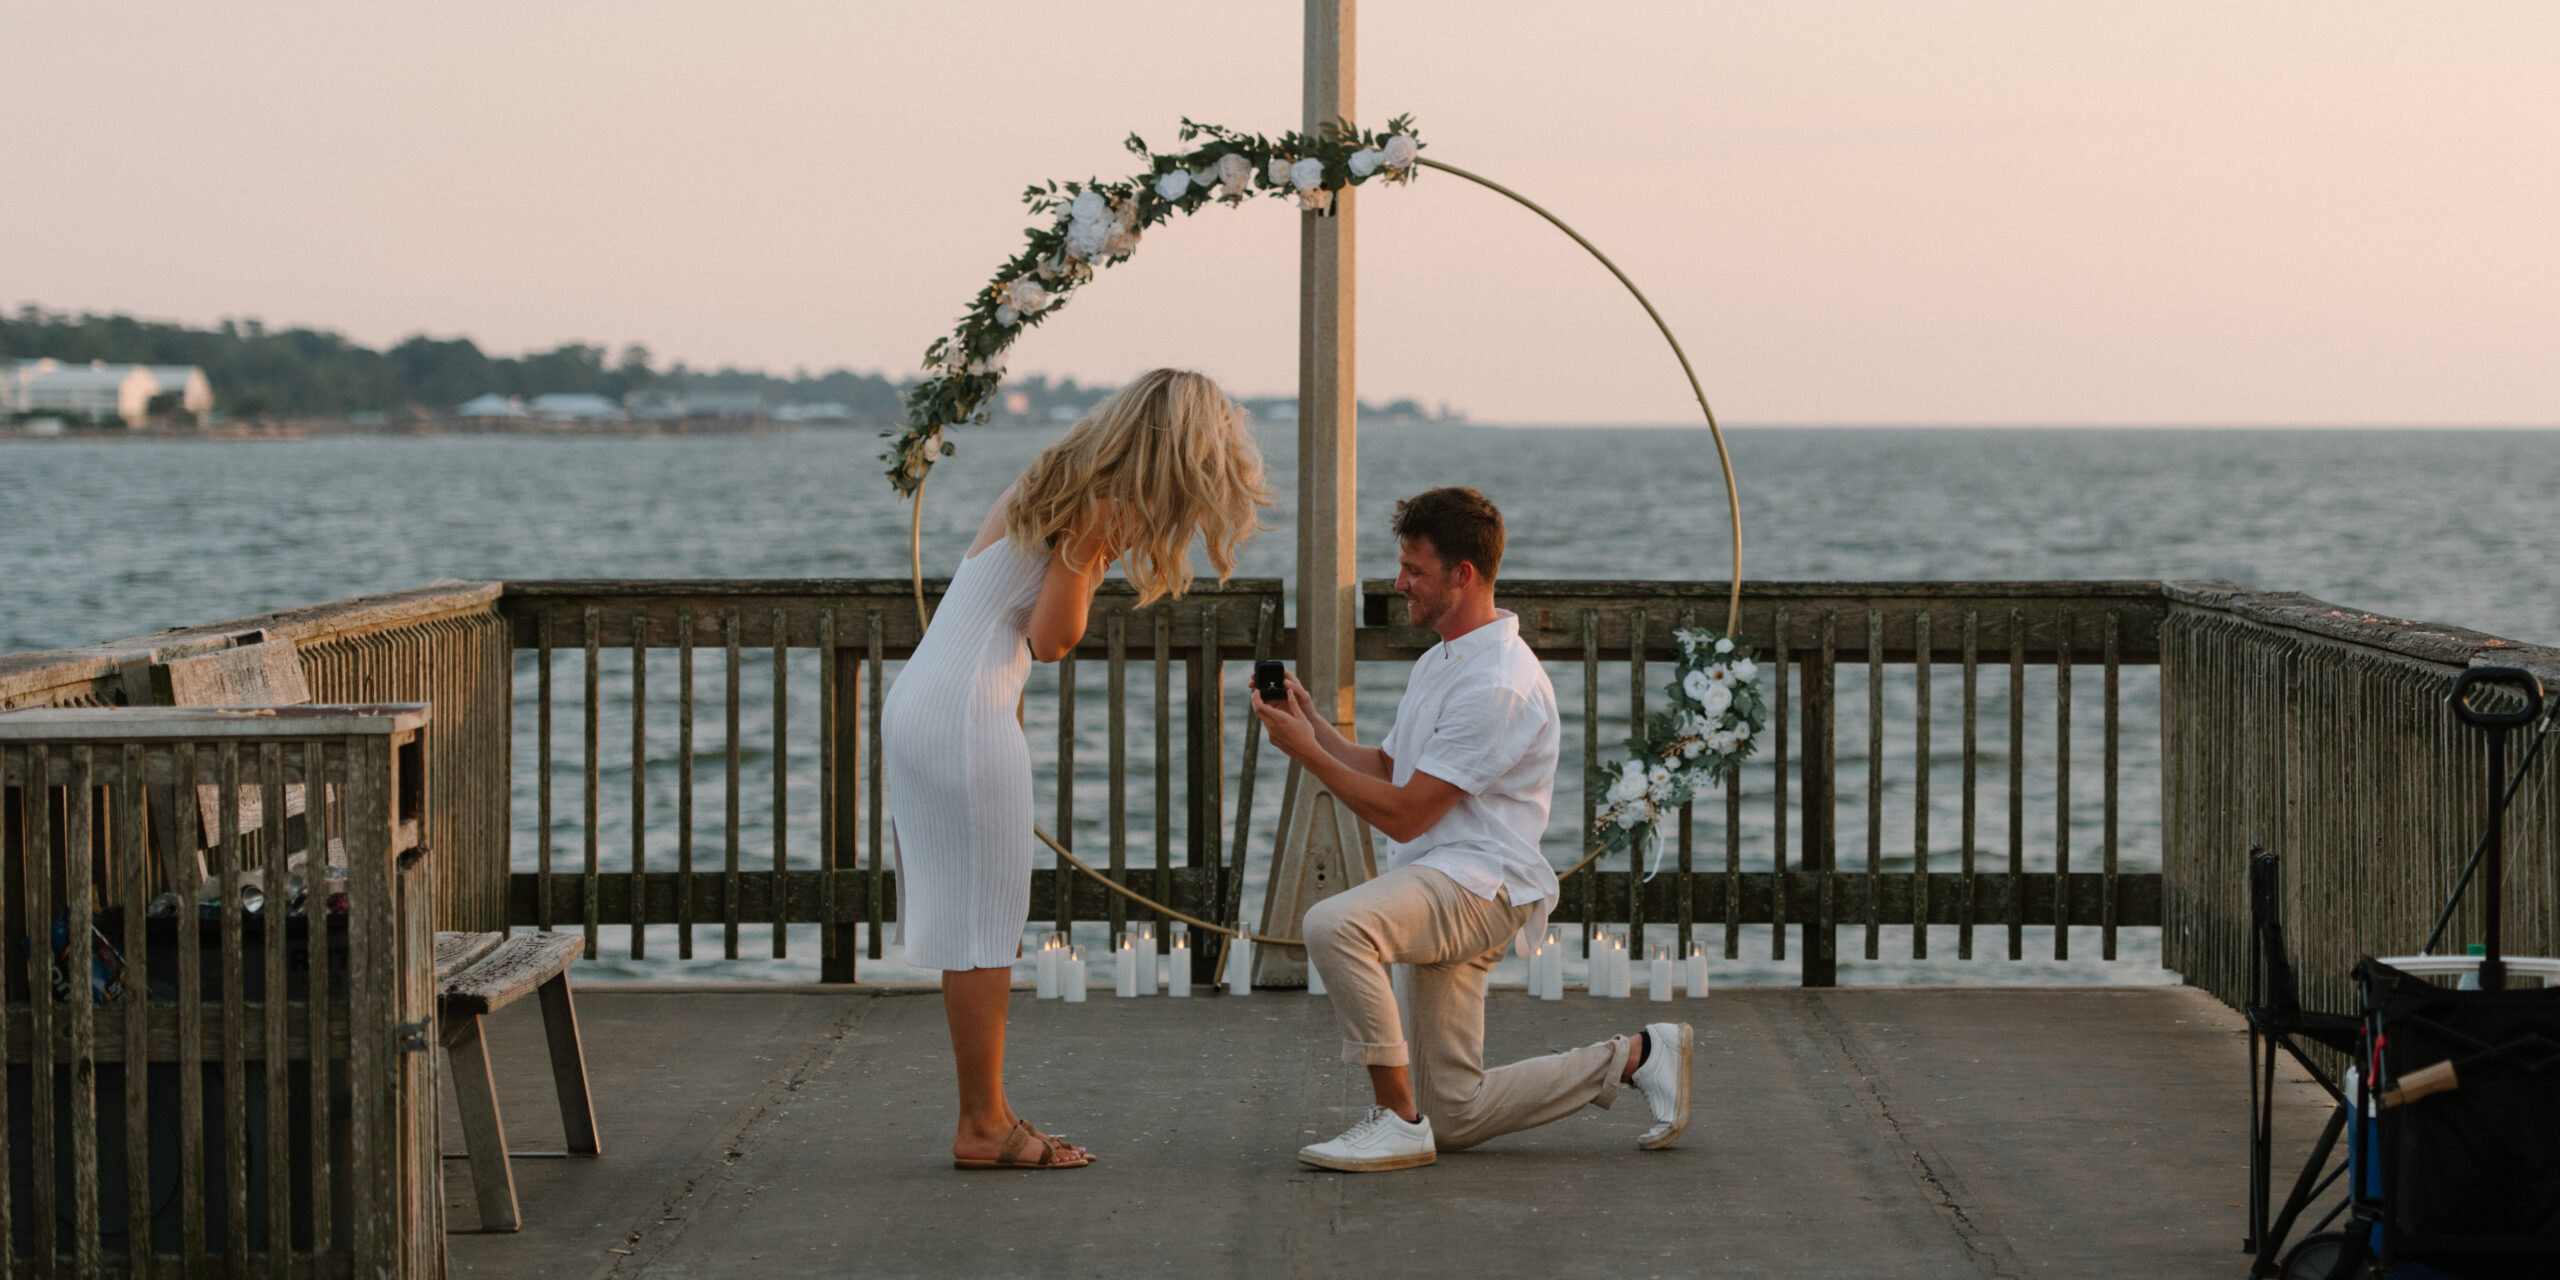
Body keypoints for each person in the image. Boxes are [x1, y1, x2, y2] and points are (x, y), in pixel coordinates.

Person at [884, 368, 1272, 1170]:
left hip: (925, 696)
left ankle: (987, 1114)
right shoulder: (1098, 510)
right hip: (966, 711)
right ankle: (983, 1127)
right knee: (985, 920)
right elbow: (1052, 639)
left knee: (970, 918)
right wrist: (1094, 560)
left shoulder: (1051, 478)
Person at [1250, 486, 1692, 1172]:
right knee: (1455, 1115)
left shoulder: (1498, 683)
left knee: (1336, 926)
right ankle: (1638, 1056)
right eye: (1402, 566)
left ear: (1463, 575)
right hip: (1439, 875)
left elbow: (1406, 811)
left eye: (1414, 570)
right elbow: (1392, 768)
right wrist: (1313, 728)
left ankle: (1395, 1120)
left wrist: (1303, 755)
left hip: (1480, 885)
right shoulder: (1445, 658)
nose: (1400, 584)